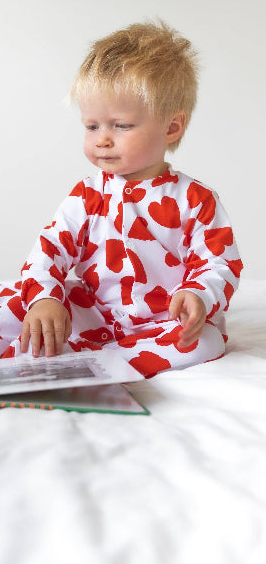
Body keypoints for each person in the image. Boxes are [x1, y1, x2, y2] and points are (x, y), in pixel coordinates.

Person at [17, 21, 243, 377]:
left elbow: (219, 263)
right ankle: (83, 348)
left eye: (120, 126)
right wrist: (45, 297)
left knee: (206, 342)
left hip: (163, 320)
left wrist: (199, 295)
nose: (102, 139)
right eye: (92, 126)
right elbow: (49, 249)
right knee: (32, 315)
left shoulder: (195, 199)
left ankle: (110, 363)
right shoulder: (88, 195)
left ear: (171, 127)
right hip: (96, 312)